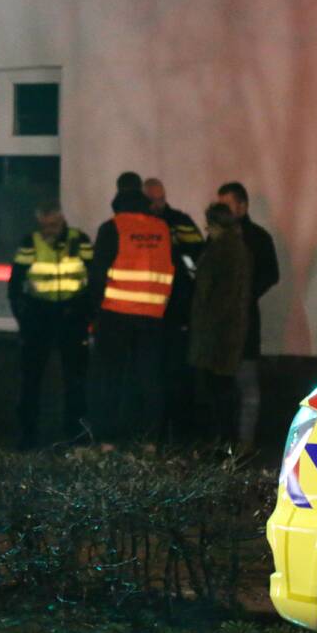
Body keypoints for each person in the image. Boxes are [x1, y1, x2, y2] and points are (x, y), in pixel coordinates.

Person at [88, 172, 175, 445]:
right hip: (153, 318)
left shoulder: (112, 228)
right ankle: (150, 441)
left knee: (111, 378)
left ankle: (108, 441)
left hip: (115, 315)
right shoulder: (162, 229)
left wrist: (93, 315)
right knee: (149, 380)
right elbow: (175, 274)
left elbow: (97, 275)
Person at [8, 199, 93, 450]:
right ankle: (28, 435)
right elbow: (15, 283)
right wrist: (23, 317)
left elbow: (94, 275)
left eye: (53, 225)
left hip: (71, 316)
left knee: (76, 380)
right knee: (30, 379)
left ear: (62, 219)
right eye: (44, 226)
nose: (48, 231)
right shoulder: (30, 242)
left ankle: (76, 433)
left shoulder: (80, 240)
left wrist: (85, 312)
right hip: (39, 317)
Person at [216, 181, 279, 448]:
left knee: (246, 385)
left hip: (244, 323)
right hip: (225, 325)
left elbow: (270, 275)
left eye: (226, 204)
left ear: (242, 206)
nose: (222, 210)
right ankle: (227, 442)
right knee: (225, 388)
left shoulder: (258, 238)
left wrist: (245, 294)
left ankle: (243, 443)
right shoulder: (223, 238)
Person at [143, 177, 204, 441]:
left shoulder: (180, 222)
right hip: (151, 314)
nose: (158, 204)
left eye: (161, 199)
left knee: (177, 377)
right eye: (153, 200)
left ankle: (178, 435)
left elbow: (198, 258)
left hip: (177, 314)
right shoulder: (141, 226)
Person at [188, 203, 252, 442]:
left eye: (209, 225)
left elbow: (215, 296)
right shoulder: (238, 249)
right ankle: (225, 445)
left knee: (217, 393)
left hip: (217, 336)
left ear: (216, 225)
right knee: (222, 391)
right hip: (227, 334)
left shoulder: (222, 250)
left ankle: (220, 446)